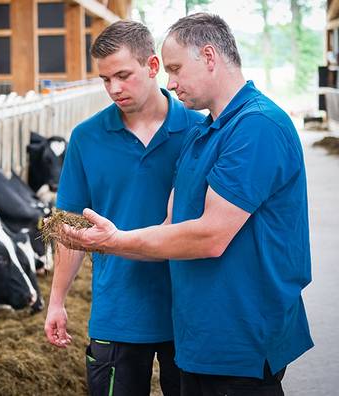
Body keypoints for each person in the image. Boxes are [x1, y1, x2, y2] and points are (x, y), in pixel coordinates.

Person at [57, 13, 313, 396]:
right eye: (105, 79)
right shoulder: (206, 134)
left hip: (239, 336)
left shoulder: (256, 126)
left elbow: (210, 237)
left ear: (209, 57)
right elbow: (170, 224)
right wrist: (96, 252)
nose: (171, 82)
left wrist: (113, 242)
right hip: (200, 338)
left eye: (175, 68)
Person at [43, 20, 204, 396]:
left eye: (123, 75)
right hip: (117, 313)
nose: (114, 88)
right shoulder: (86, 138)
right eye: (105, 79)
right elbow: (70, 229)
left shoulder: (199, 130)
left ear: (152, 67)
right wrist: (56, 302)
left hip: (187, 311)